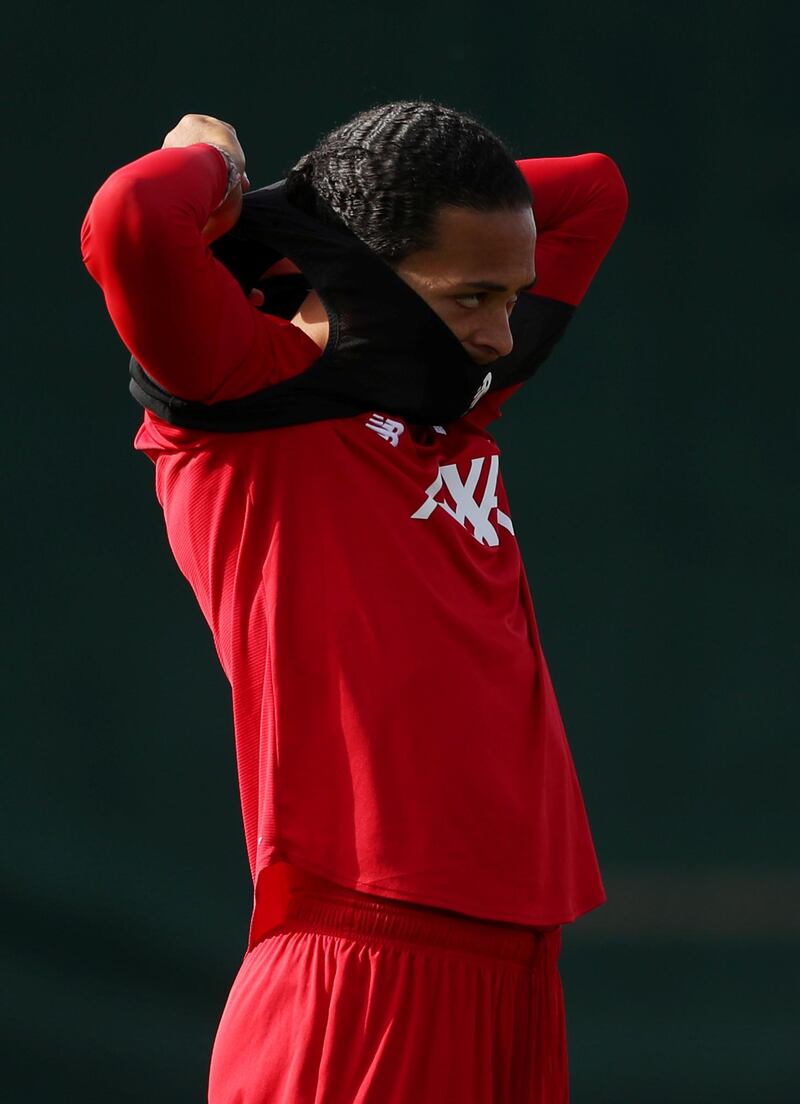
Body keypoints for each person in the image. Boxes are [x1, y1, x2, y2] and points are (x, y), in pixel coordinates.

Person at [80, 102, 628, 1103]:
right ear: (369, 275)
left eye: (511, 295)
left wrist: (350, 217)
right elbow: (131, 220)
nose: (500, 335)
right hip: (359, 957)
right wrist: (226, 176)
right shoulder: (243, 393)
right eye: (471, 296)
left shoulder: (446, 393)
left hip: (512, 960)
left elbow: (593, 187)